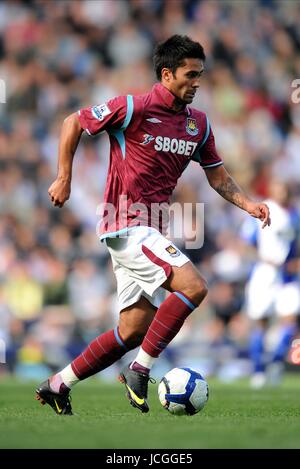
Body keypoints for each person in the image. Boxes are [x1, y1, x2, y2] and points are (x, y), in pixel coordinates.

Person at [35, 35, 270, 415]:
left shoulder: (198, 125)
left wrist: (249, 204)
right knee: (194, 286)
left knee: (133, 330)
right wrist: (64, 177)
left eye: (201, 75)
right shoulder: (133, 107)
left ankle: (58, 383)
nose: (197, 82)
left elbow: (218, 176)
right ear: (166, 73)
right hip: (125, 221)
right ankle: (140, 369)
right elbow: (73, 122)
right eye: (190, 75)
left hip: (151, 228)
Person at [241, 179, 299, 388]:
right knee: (261, 323)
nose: (283, 192)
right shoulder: (263, 210)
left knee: (290, 321)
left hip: (288, 277)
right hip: (264, 273)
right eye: (279, 188)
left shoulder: (296, 214)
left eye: (286, 188)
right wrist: (263, 258)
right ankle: (259, 371)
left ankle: (275, 362)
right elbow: (247, 241)